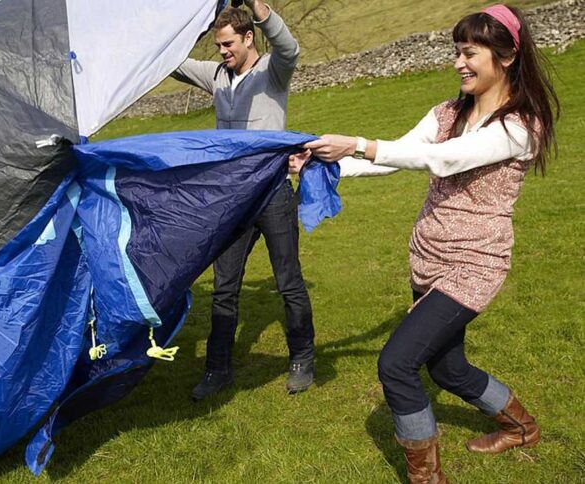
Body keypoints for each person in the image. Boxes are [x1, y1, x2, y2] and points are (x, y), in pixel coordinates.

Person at [300, 4, 559, 482]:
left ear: (504, 56)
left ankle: (426, 478)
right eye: (456, 52)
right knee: (448, 369)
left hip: (475, 264)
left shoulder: (520, 127)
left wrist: (356, 141)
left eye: (470, 52)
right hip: (428, 258)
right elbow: (396, 156)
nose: (459, 62)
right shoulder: (445, 113)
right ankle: (521, 427)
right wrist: (321, 165)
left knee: (397, 364)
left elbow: (444, 160)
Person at [172, 1, 315, 400]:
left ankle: (302, 359)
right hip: (233, 199)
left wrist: (258, 7)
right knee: (224, 287)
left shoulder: (273, 71)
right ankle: (218, 370)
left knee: (288, 282)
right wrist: (194, 24)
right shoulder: (216, 75)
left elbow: (290, 48)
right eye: (218, 45)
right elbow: (172, 62)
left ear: (249, 37)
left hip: (272, 193)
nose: (222, 51)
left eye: (229, 43)